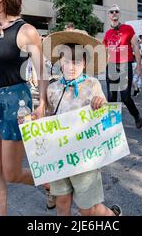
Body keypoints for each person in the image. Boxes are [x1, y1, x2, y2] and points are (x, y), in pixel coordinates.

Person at [0, 0, 48, 215]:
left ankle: (53, 185)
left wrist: (42, 105)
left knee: (12, 172)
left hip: (15, 102)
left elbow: (42, 71)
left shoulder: (26, 30)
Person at [42, 31, 121, 216]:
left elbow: (107, 116)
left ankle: (111, 215)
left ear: (84, 63)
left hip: (85, 155)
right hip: (60, 154)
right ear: (60, 61)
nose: (71, 67)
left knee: (87, 209)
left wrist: (101, 105)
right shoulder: (53, 88)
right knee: (62, 202)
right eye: (67, 61)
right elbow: (49, 118)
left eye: (76, 62)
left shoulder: (92, 84)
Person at [103, 4, 142, 129]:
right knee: (111, 98)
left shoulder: (128, 28)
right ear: (109, 15)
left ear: (119, 14)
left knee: (125, 97)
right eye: (111, 12)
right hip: (111, 66)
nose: (114, 13)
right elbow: (104, 51)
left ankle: (136, 115)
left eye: (116, 11)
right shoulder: (108, 33)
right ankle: (113, 125)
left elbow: (135, 46)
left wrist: (139, 66)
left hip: (125, 65)